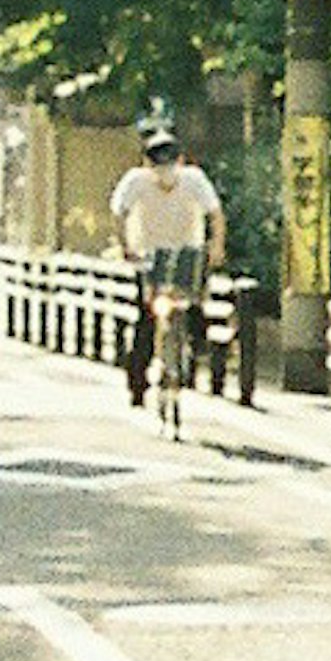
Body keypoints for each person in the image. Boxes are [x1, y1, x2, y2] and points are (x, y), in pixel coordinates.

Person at [109, 116, 227, 430]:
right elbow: (119, 213)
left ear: (181, 161)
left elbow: (215, 213)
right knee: (146, 320)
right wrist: (125, 246)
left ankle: (194, 359)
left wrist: (215, 247)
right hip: (149, 256)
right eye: (158, 164)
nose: (165, 172)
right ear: (148, 164)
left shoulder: (194, 180)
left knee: (195, 309)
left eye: (171, 162)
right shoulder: (136, 181)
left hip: (187, 254)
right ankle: (138, 383)